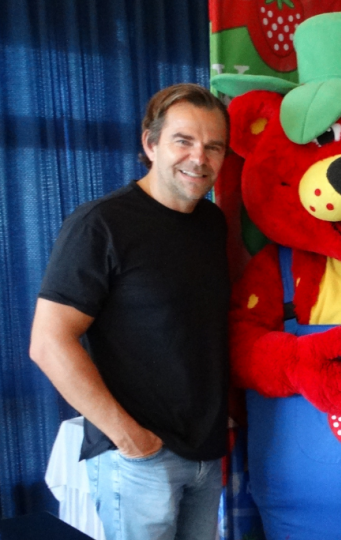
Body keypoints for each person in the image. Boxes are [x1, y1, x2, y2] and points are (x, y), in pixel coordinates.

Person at [29, 83, 231, 540]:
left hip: (206, 453)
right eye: (183, 140)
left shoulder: (212, 224)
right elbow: (48, 342)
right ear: (150, 143)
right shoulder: (100, 223)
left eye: (213, 146)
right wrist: (129, 439)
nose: (199, 158)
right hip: (141, 460)